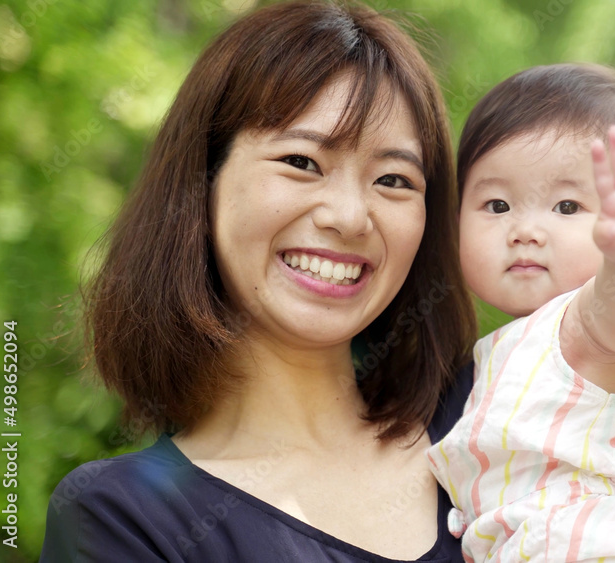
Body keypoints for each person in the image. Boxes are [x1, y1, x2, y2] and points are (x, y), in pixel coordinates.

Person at [40, 2, 480, 561]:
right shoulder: (122, 521)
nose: (349, 216)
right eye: (301, 161)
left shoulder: (497, 421)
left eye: (394, 179)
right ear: (203, 182)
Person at [427, 64, 615, 561]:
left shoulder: (581, 332)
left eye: (568, 207)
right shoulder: (488, 362)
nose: (525, 230)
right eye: (497, 205)